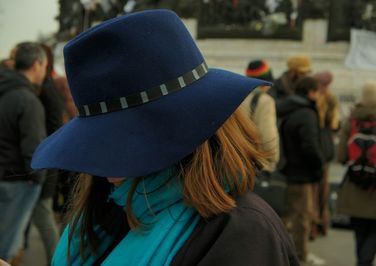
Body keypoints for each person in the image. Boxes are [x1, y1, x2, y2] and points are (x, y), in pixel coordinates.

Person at [31, 10, 299, 265]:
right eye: (99, 143)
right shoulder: (110, 210)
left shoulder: (244, 234)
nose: (102, 165)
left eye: (122, 140)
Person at [337, 80, 376, 266]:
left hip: (354, 188)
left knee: (360, 232)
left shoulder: (351, 122)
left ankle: (363, 262)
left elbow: (341, 157)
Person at [0, 42, 47, 262]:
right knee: (6, 247)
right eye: (45, 66)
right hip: (17, 181)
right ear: (37, 65)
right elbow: (35, 149)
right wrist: (37, 178)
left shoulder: (6, 92)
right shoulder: (27, 100)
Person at [277, 77, 325, 265]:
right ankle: (300, 254)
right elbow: (310, 146)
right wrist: (318, 167)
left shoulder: (290, 109)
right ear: (311, 92)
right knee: (301, 217)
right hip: (302, 173)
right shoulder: (306, 113)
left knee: (290, 213)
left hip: (289, 169)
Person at [24, 43, 64, 265]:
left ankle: (55, 261)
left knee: (44, 218)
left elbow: (54, 128)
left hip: (42, 167)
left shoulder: (46, 90)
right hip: (39, 166)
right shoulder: (38, 90)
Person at [311, 71, 340, 237]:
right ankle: (323, 223)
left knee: (313, 190)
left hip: (317, 147)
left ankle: (314, 225)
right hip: (326, 148)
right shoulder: (331, 98)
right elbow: (335, 124)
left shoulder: (315, 99)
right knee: (323, 188)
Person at [242, 59, 279, 171]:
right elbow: (268, 133)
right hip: (258, 160)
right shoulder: (265, 101)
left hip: (239, 159)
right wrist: (273, 157)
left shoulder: (239, 97)